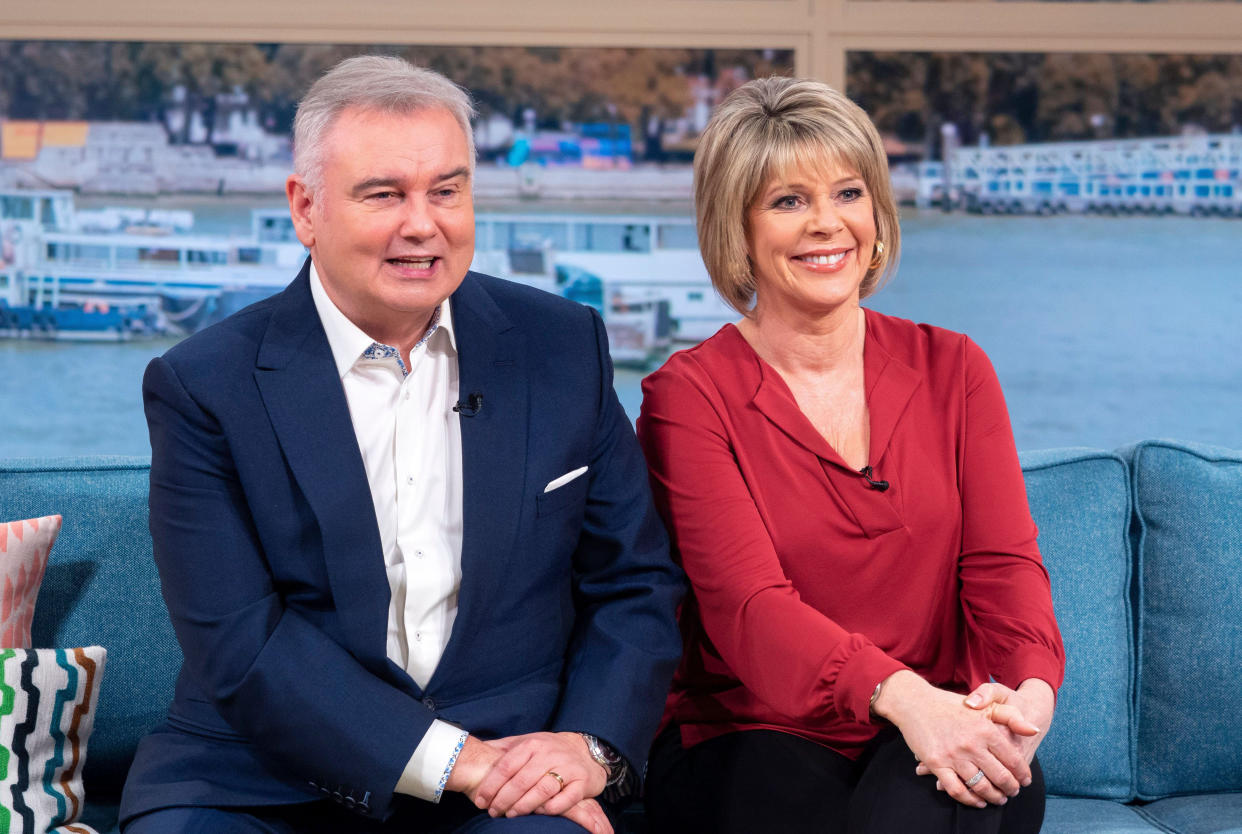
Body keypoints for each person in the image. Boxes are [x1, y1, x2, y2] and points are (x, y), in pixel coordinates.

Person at [119, 55, 683, 834]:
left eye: (446, 191)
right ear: (305, 208)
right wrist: (456, 761)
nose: (424, 223)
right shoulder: (202, 385)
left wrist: (586, 748)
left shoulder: (563, 346)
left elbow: (637, 586)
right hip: (261, 778)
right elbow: (241, 643)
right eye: (384, 194)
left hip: (517, 770)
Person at [636, 76, 1065, 833]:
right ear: (736, 227)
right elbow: (750, 610)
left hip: (927, 721)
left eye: (847, 193)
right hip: (750, 733)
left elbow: (1003, 565)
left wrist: (1031, 692)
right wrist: (903, 697)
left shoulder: (955, 369)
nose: (827, 225)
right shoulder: (689, 396)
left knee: (996, 782)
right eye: (788, 201)